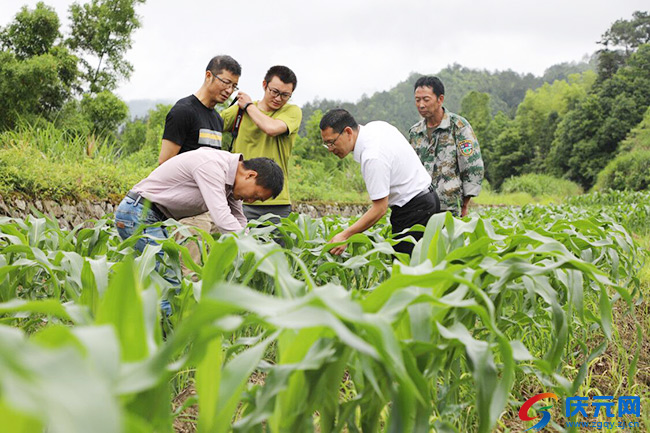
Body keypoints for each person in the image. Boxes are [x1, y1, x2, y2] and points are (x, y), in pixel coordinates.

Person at [114, 148, 284, 314]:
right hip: (137, 214)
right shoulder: (212, 166)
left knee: (164, 278)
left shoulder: (231, 182)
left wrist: (255, 248)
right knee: (169, 281)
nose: (251, 201)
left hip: (152, 217)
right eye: (255, 195)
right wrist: (254, 249)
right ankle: (166, 336)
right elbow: (222, 217)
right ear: (250, 175)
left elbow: (239, 220)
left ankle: (147, 326)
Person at [156, 54, 241, 268]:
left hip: (209, 208)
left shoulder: (217, 119)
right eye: (226, 82)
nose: (229, 90)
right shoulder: (183, 111)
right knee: (188, 272)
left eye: (234, 86)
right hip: (187, 214)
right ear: (208, 76)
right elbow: (164, 163)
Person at [320, 109, 440, 256]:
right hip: (428, 199)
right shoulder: (377, 127)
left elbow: (380, 208)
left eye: (331, 143)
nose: (330, 149)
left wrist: (345, 235)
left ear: (348, 132)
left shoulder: (372, 156)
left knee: (407, 271)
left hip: (414, 210)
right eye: (326, 144)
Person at [221, 65, 302, 222]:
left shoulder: (292, 111)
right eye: (275, 92)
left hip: (276, 202)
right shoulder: (239, 111)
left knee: (278, 247)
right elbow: (210, 126)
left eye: (285, 95)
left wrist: (249, 106)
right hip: (240, 199)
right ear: (264, 85)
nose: (278, 98)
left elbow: (271, 128)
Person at [408, 76, 484, 217]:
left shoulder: (458, 126)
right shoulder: (415, 132)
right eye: (417, 100)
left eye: (426, 99)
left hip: (450, 207)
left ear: (440, 99)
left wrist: (465, 203)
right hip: (422, 207)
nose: (421, 105)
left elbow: (472, 166)